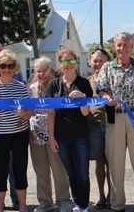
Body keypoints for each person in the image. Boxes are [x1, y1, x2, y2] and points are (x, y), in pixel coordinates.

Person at [96, 32, 134, 212]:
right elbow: (101, 89)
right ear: (115, 47)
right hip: (115, 118)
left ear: (131, 46)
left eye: (125, 45)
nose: (121, 48)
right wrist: (106, 97)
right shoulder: (107, 68)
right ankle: (117, 203)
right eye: (118, 45)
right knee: (115, 163)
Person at [0, 50, 32, 212]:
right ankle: (0, 207)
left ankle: (23, 206)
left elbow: (29, 112)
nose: (7, 69)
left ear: (15, 67)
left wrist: (25, 114)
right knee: (0, 170)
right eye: (3, 65)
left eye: (10, 66)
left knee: (20, 169)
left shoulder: (21, 87)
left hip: (19, 134)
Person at [47, 48, 93, 212]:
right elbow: (50, 113)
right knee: (71, 174)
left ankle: (84, 205)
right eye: (65, 61)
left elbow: (86, 113)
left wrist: (82, 99)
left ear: (76, 62)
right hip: (61, 137)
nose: (68, 64)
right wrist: (51, 138)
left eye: (72, 61)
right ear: (60, 63)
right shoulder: (54, 84)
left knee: (82, 173)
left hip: (80, 135)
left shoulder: (84, 83)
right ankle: (78, 203)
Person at [28, 57, 72, 212]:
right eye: (38, 71)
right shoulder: (31, 89)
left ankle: (64, 200)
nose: (41, 74)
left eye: (44, 71)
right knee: (41, 170)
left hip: (56, 134)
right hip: (36, 135)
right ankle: (45, 202)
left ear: (51, 70)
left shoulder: (58, 86)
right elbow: (28, 112)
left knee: (59, 168)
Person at [86, 48, 112, 209]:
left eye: (101, 61)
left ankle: (112, 195)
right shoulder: (86, 82)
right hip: (93, 126)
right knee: (99, 162)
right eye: (95, 61)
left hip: (111, 124)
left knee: (112, 163)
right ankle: (101, 196)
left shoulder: (111, 80)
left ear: (107, 62)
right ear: (90, 62)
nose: (98, 64)